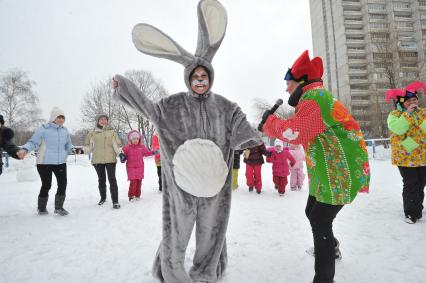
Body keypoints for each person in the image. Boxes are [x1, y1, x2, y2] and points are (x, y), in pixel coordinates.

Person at [111, 0, 261, 281]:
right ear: (188, 79)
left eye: (204, 76)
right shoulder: (172, 106)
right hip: (182, 187)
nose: (200, 79)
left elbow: (242, 126)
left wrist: (250, 140)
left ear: (210, 78)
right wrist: (124, 88)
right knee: (176, 234)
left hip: (215, 187)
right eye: (196, 76)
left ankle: (206, 272)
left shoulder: (227, 107)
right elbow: (148, 109)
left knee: (211, 234)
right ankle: (171, 273)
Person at [259, 50, 370, 283]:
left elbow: (295, 132)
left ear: (301, 82)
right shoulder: (311, 99)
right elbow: (299, 129)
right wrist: (273, 123)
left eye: (288, 84)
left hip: (341, 172)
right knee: (313, 211)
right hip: (328, 172)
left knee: (320, 220)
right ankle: (332, 248)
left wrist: (270, 124)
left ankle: (324, 279)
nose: (286, 89)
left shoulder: (315, 99)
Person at [21, 107, 76, 216]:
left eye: (62, 117)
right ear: (53, 118)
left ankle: (59, 208)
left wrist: (72, 148)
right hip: (44, 163)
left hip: (60, 162)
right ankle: (41, 208)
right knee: (46, 185)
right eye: (58, 117)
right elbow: (33, 142)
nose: (60, 119)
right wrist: (25, 149)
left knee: (63, 184)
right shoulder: (43, 129)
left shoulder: (64, 130)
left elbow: (68, 144)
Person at [385, 81, 426, 224]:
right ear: (402, 103)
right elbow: (399, 129)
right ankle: (411, 213)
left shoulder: (423, 113)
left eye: (415, 100)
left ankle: (417, 208)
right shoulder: (394, 115)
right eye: (409, 101)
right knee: (411, 183)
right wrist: (408, 114)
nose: (413, 103)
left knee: (421, 183)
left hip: (423, 156)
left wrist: (418, 116)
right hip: (405, 157)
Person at [84, 114, 122, 209]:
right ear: (98, 121)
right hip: (97, 160)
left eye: (105, 119)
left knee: (112, 179)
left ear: (107, 121)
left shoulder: (112, 132)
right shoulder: (92, 133)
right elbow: (88, 146)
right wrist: (82, 150)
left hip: (110, 159)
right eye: (101, 119)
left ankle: (115, 201)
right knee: (101, 180)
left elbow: (116, 145)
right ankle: (103, 198)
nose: (103, 121)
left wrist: (121, 153)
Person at [120, 130, 156, 201]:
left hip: (140, 167)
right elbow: (123, 155)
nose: (135, 140)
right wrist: (122, 157)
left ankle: (137, 195)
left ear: (139, 139)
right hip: (131, 168)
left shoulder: (142, 147)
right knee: (133, 181)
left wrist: (154, 152)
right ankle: (131, 196)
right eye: (133, 139)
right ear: (130, 139)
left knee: (139, 181)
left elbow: (147, 153)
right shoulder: (127, 148)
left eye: (137, 138)